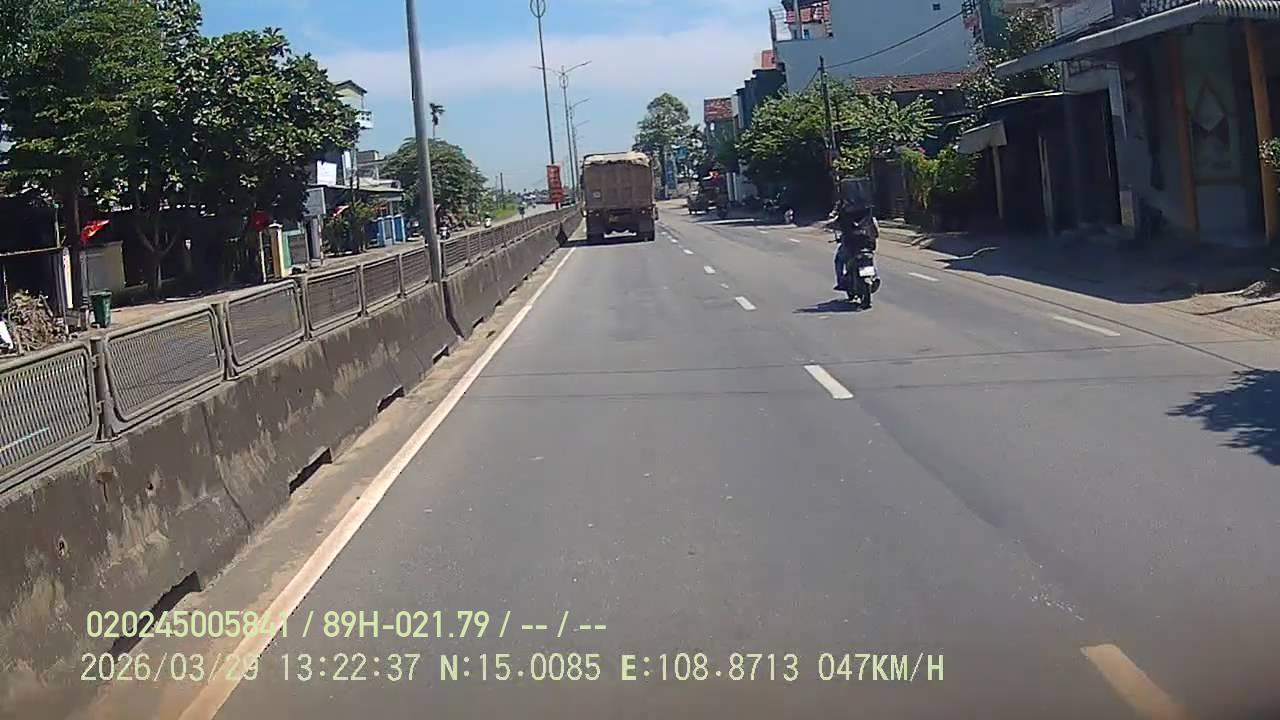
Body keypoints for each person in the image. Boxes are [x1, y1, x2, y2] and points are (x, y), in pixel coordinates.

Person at [831, 198, 879, 291]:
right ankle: (875, 276)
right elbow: (876, 233)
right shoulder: (868, 216)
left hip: (853, 246)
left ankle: (841, 282)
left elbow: (835, 224)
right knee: (869, 258)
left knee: (839, 260)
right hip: (866, 245)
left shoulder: (845, 215)